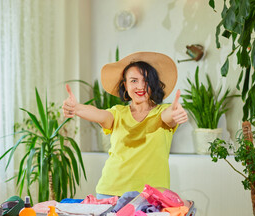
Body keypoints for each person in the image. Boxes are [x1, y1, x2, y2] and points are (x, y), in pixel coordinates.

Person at [62, 52, 188, 199]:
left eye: (146, 80)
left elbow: (169, 117)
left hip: (151, 196)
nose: (140, 86)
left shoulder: (162, 112)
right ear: (125, 85)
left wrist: (175, 112)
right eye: (134, 81)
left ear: (153, 84)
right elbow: (100, 114)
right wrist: (77, 108)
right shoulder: (117, 113)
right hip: (111, 193)